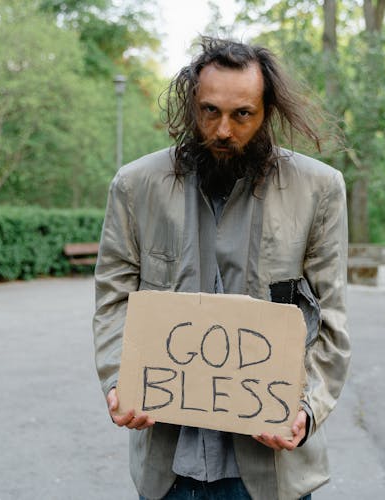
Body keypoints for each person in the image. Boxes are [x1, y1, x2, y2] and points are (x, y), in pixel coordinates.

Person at [93, 37, 350, 500]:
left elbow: (331, 322)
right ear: (192, 106)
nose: (223, 130)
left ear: (267, 111)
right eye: (210, 111)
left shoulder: (320, 190)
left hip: (272, 472)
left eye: (242, 115)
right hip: (169, 470)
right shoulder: (135, 187)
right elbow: (113, 300)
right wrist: (118, 380)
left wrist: (306, 410)